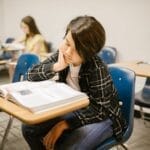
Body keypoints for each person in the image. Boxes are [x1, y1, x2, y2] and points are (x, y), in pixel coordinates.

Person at [22, 15, 126, 150]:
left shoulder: (96, 67)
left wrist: (64, 124)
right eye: (67, 42)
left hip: (104, 118)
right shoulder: (62, 53)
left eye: (77, 48)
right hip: (74, 110)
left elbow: (100, 110)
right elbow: (31, 74)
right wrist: (56, 66)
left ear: (88, 52)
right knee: (29, 129)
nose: (68, 51)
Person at [8, 15, 48, 81]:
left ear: (31, 27)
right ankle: (13, 82)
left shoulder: (38, 38)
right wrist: (19, 46)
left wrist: (24, 51)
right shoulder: (26, 36)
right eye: (22, 27)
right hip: (28, 58)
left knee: (14, 64)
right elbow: (13, 43)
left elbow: (34, 55)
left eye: (25, 27)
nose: (23, 29)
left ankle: (19, 82)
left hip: (38, 60)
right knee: (10, 63)